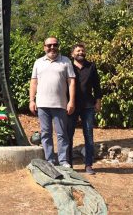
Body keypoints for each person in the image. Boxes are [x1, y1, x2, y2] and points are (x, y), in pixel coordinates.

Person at [29, 37, 76, 167]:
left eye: (55, 45)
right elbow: (34, 83)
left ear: (58, 46)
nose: (52, 48)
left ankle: (63, 161)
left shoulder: (65, 61)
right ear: (44, 47)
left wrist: (71, 101)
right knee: (45, 134)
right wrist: (31, 100)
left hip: (60, 104)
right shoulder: (38, 62)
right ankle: (50, 160)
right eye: (49, 45)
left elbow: (71, 82)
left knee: (62, 134)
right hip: (42, 104)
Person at [67, 43, 102, 175]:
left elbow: (97, 85)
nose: (80, 52)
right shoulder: (68, 66)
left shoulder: (91, 66)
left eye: (82, 50)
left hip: (88, 105)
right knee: (69, 135)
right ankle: (68, 164)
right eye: (78, 51)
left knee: (89, 136)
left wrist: (98, 101)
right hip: (72, 105)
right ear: (72, 54)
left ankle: (88, 165)